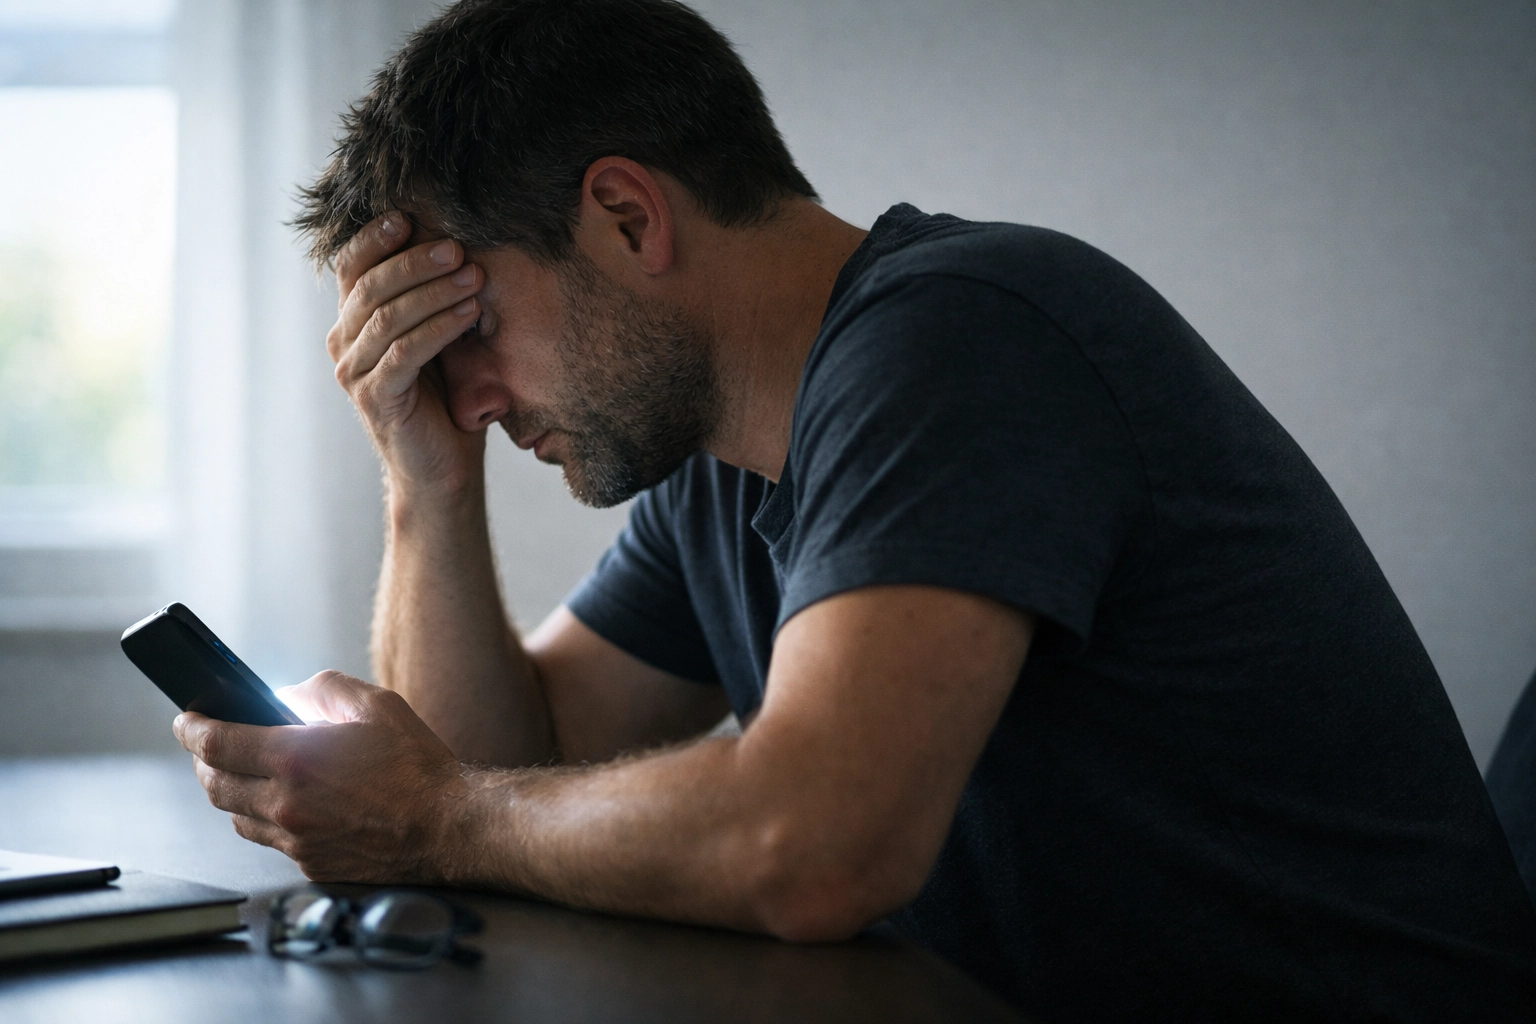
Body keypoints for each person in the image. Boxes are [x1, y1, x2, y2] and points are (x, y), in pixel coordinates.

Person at [172, 0, 1536, 1018]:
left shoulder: (963, 336)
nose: (460, 394)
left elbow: (810, 843)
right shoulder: (725, 455)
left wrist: (436, 818)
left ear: (628, 220)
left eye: (465, 332)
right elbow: (509, 759)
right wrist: (425, 484)